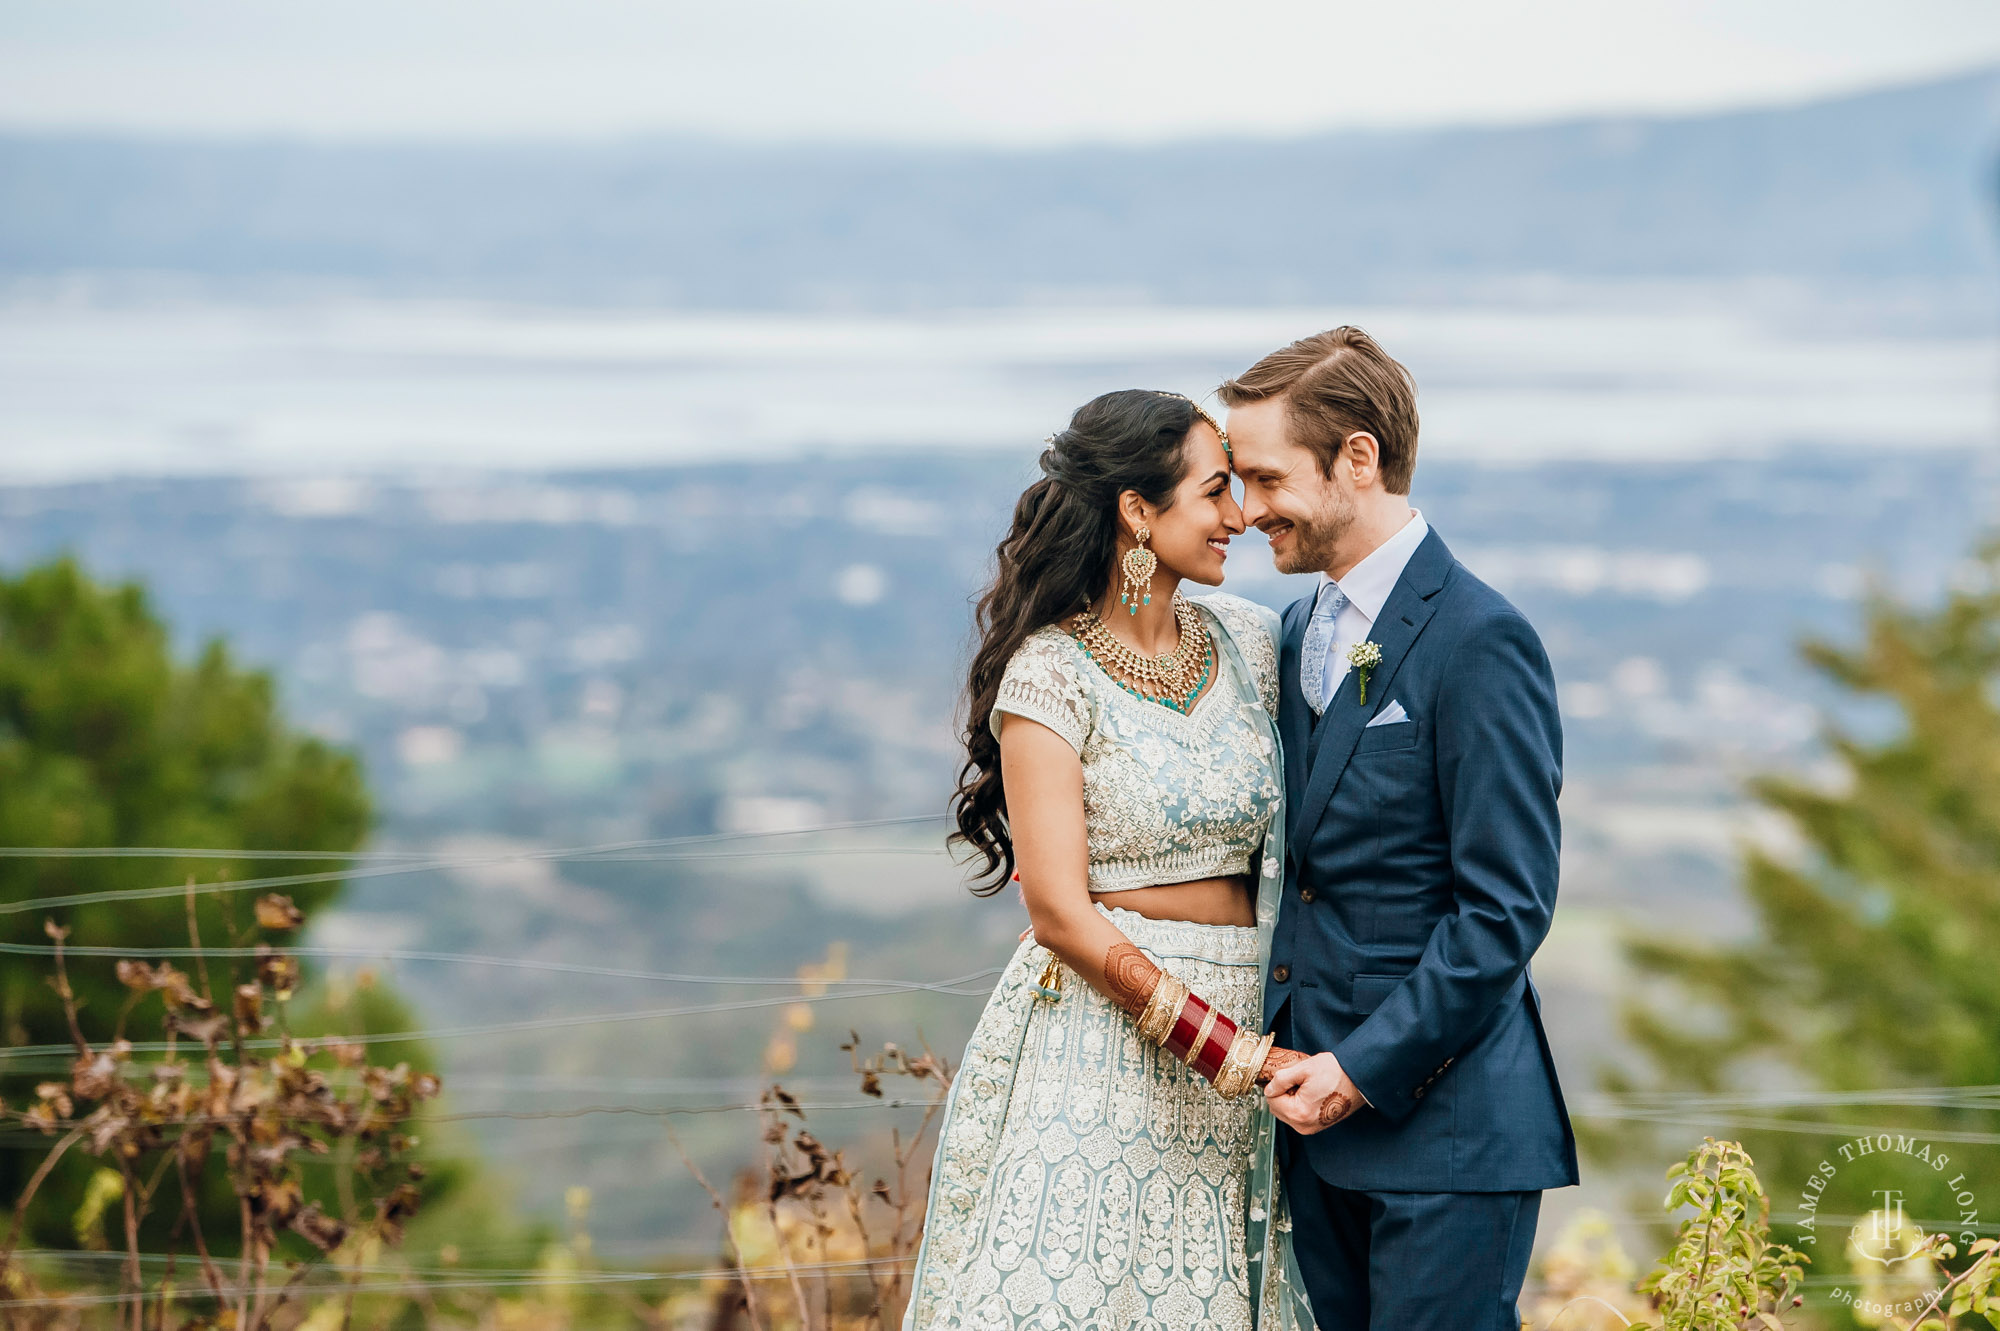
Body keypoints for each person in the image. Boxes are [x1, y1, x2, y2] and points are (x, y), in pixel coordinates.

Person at [904, 389, 1317, 1331]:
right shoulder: (1049, 675)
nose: (1239, 516)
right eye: (1215, 492)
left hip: (1254, 1016)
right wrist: (1227, 1049)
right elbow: (1057, 910)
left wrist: (1258, 1047)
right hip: (1102, 1043)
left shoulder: (1251, 644)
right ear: (1138, 511)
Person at [1219, 327, 1579, 1331]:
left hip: (1444, 1129)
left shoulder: (1479, 637)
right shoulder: (1293, 633)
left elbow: (1503, 908)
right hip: (1306, 1126)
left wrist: (1359, 1068)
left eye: (1264, 478)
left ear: (1358, 457)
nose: (1247, 513)